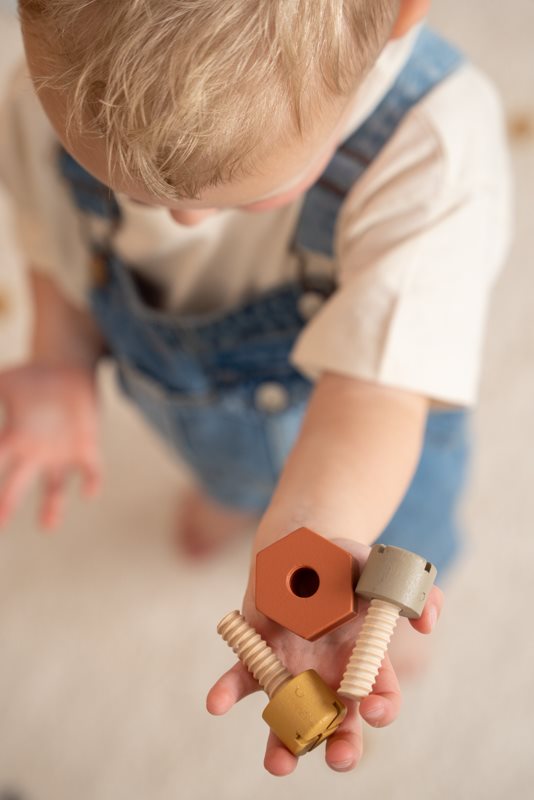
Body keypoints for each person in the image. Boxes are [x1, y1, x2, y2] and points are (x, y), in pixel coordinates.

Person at [0, 0, 511, 776]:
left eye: (239, 195)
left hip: (375, 452)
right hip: (199, 407)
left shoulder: (432, 145)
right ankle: (240, 493)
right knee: (224, 466)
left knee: (398, 554)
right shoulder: (44, 91)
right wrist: (58, 360)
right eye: (126, 189)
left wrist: (315, 541)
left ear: (400, 15)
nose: (184, 218)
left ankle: (321, 563)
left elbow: (375, 396)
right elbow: (58, 247)